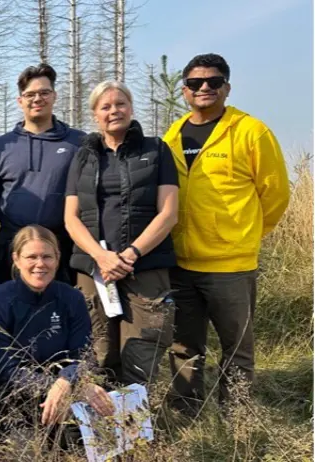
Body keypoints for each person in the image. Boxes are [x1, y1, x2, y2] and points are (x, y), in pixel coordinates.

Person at [163, 54, 290, 413]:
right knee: (184, 346)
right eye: (194, 83)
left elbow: (276, 193)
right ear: (184, 90)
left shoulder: (251, 131)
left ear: (227, 87)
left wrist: (246, 237)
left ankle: (236, 419)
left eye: (213, 82)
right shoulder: (172, 135)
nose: (204, 88)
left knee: (236, 345)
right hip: (182, 263)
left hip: (231, 265)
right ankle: (186, 412)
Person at [64, 80, 179, 386]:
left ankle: (135, 429)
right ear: (95, 115)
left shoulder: (156, 150)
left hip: (144, 266)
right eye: (106, 106)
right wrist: (101, 256)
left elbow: (168, 213)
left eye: (120, 104)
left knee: (142, 353)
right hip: (94, 269)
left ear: (131, 108)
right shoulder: (83, 156)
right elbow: (71, 218)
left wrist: (130, 255)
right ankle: (99, 430)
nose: (114, 110)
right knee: (98, 352)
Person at [0, 225, 114, 443]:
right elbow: (8, 370)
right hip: (10, 394)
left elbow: (84, 355)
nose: (40, 264)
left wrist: (71, 382)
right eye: (31, 257)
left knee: (105, 431)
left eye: (47, 257)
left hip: (66, 387)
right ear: (16, 259)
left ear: (58, 258)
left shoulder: (72, 298)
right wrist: (58, 386)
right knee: (24, 451)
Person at [0, 64, 86, 322]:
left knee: (62, 315)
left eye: (44, 92)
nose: (38, 99)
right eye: (31, 94)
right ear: (20, 100)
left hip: (62, 244)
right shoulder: (2, 146)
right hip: (12, 241)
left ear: (55, 96)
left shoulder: (78, 143)